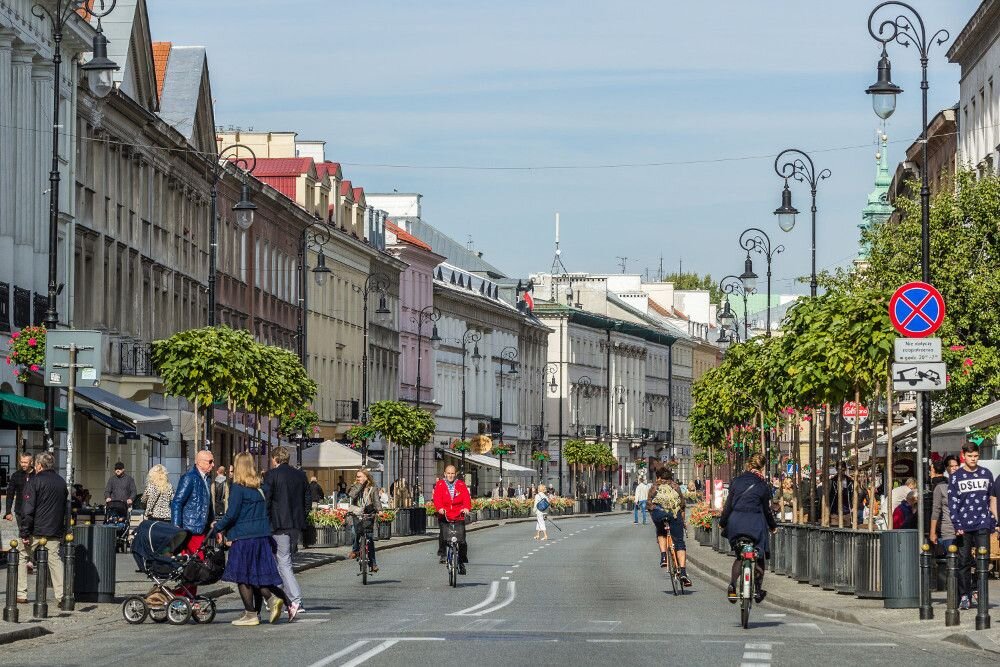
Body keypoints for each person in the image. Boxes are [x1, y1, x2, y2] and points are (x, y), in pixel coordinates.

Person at [215, 452, 290, 626]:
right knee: (256, 573)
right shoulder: (260, 489)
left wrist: (217, 527)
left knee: (243, 576)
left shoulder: (238, 489)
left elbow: (232, 514)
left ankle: (251, 613)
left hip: (244, 537)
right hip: (261, 537)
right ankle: (271, 600)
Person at [720, 453, 776, 605]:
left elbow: (728, 506)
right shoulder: (763, 485)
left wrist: (723, 522)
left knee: (740, 556)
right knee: (759, 555)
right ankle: (757, 589)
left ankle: (732, 585)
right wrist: (773, 526)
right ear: (762, 467)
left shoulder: (736, 481)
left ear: (748, 465)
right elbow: (767, 510)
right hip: (755, 524)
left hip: (736, 523)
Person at [949, 443, 997, 610]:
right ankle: (965, 594)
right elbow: (952, 502)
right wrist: (956, 523)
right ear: (964, 456)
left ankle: (978, 590)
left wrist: (992, 521)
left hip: (982, 522)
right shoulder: (956, 477)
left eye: (976, 456)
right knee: (963, 562)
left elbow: (992, 497)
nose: (973, 459)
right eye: (970, 456)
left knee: (983, 559)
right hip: (963, 524)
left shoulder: (986, 473)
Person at [263, 446, 309, 621]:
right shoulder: (300, 475)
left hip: (278, 524)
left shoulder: (272, 475)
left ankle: (295, 600)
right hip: (295, 524)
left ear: (275, 459)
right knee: (284, 560)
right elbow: (307, 499)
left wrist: (265, 521)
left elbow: (267, 501)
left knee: (283, 562)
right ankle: (283, 597)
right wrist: (302, 517)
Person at [19, 453, 68, 609]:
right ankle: (62, 596)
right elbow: (65, 508)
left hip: (36, 530)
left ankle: (21, 593)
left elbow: (28, 510)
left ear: (39, 465)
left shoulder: (34, 481)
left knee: (21, 556)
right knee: (54, 560)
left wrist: (25, 532)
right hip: (54, 530)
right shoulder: (61, 483)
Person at [171, 450, 216, 591]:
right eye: (210, 461)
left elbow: (207, 506)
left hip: (200, 528)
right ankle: (185, 598)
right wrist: (177, 528)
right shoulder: (190, 478)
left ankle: (188, 597)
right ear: (200, 462)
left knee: (196, 565)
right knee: (192, 565)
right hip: (190, 528)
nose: (213, 465)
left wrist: (213, 526)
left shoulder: (206, 479)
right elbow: (177, 502)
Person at [647, 467, 690, 586]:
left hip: (659, 514)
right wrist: (683, 521)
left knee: (661, 532)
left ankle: (663, 557)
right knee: (680, 542)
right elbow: (682, 504)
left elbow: (649, 504)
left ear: (659, 477)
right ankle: (683, 572)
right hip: (674, 514)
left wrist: (655, 519)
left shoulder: (654, 487)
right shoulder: (676, 486)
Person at [433, 464, 471, 574]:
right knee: (443, 535)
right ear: (445, 474)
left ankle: (462, 559)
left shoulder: (461, 484)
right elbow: (437, 498)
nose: (450, 475)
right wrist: (439, 508)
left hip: (458, 514)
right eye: (448, 473)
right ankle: (443, 554)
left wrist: (466, 508)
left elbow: (466, 499)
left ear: (455, 474)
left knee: (462, 540)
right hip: (445, 514)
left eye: (452, 473)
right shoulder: (440, 484)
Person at [346, 468, 382, 573]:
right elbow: (352, 495)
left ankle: (373, 563)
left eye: (360, 476)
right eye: (357, 476)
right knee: (354, 532)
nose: (357, 478)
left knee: (369, 538)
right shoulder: (354, 486)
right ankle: (355, 550)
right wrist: (360, 485)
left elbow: (376, 500)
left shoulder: (373, 488)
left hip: (369, 513)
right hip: (357, 513)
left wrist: (379, 511)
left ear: (366, 477)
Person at [930, 456, 959, 554]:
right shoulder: (941, 487)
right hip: (948, 530)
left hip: (965, 530)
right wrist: (932, 532)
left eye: (957, 465)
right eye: (951, 466)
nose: (954, 468)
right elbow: (936, 510)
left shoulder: (963, 484)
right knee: (952, 561)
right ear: (946, 468)